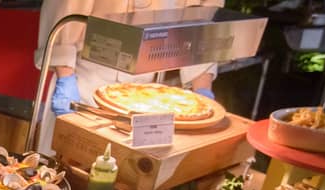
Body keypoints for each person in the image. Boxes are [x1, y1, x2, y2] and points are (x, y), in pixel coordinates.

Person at [34, 0, 223, 154]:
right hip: (85, 82)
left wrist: (202, 91)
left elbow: (200, 26)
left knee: (129, 172)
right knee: (65, 166)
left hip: (149, 94)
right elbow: (64, 16)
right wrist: (66, 79)